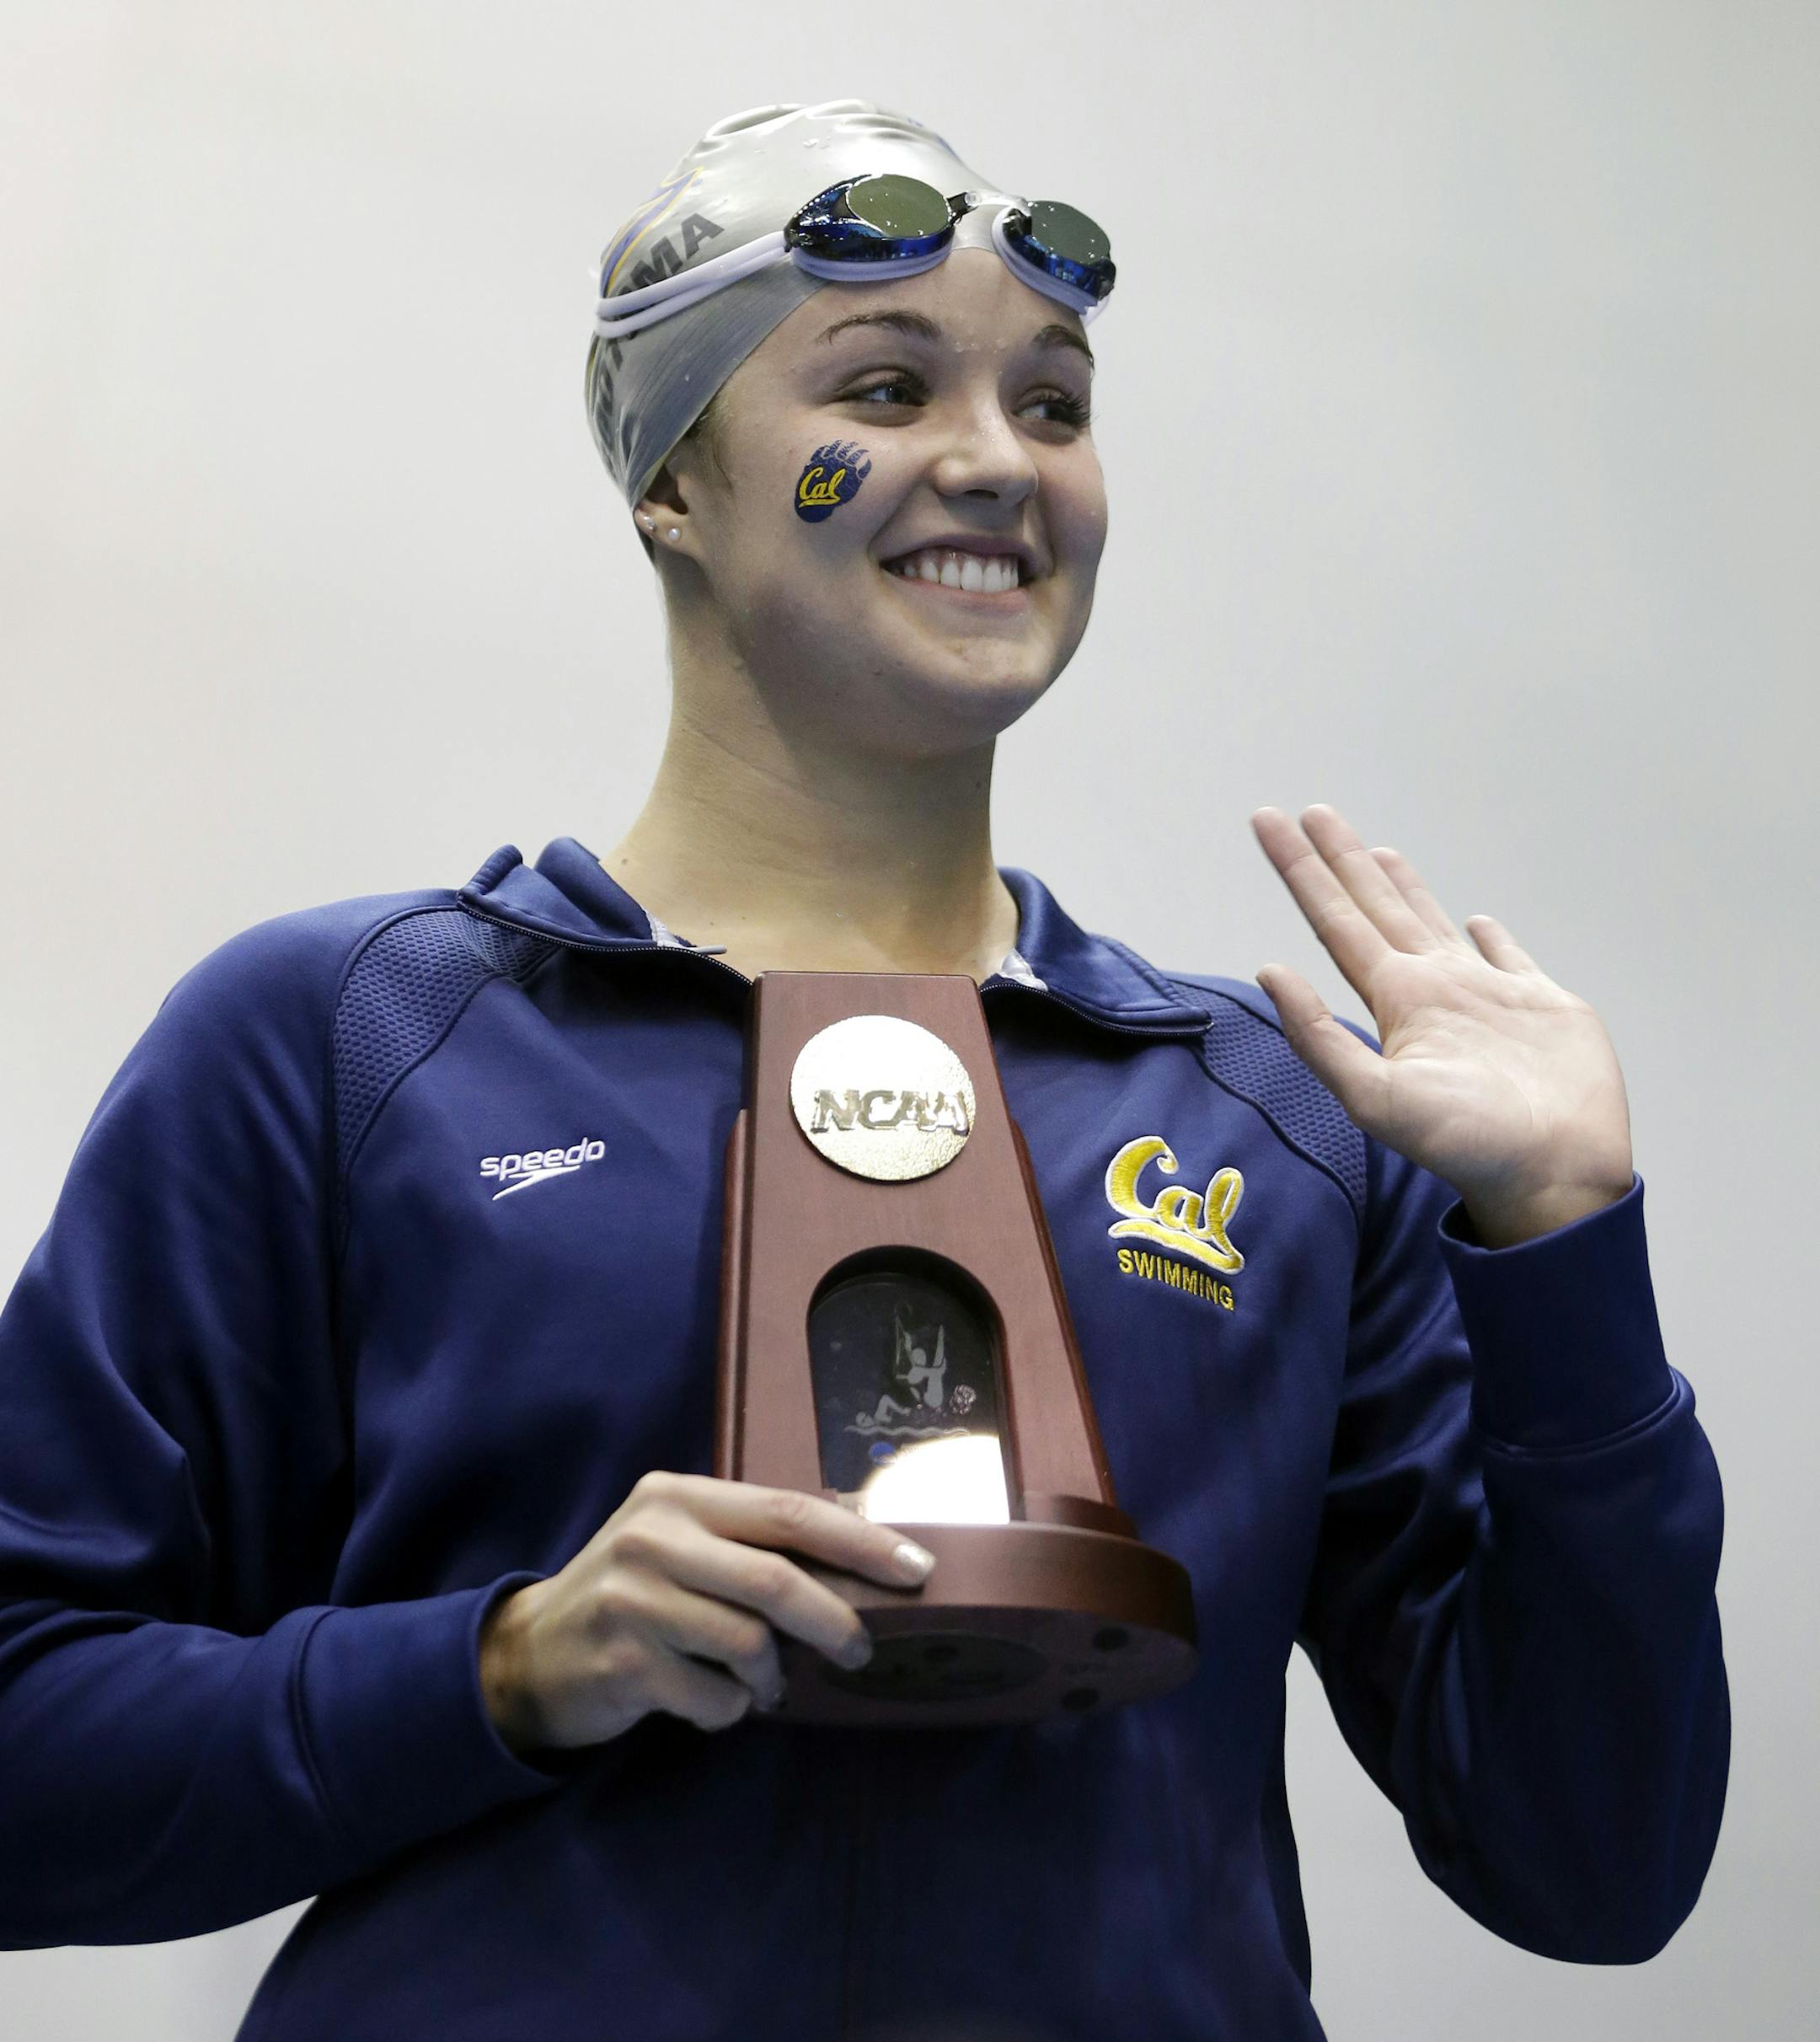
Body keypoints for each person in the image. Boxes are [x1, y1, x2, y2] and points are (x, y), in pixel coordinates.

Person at [0, 99, 1727, 2042]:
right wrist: (499, 1670)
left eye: (1055, 407)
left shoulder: (1281, 1121)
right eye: (888, 388)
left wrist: (1566, 1254)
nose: (996, 463)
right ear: (670, 481)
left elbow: (1597, 1865)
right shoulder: (346, 1039)